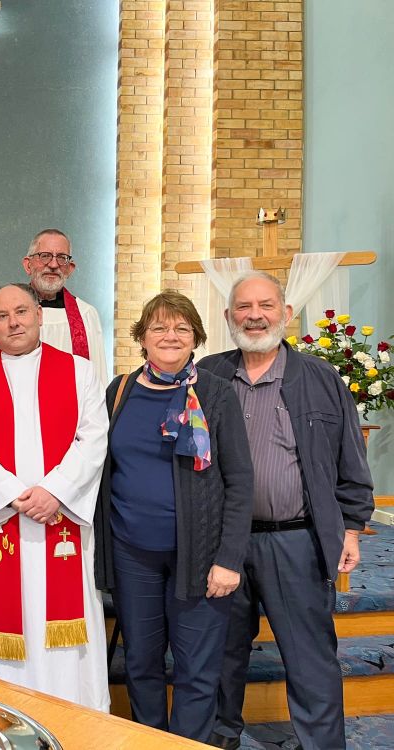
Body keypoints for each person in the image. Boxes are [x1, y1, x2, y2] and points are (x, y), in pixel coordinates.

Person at [199, 271, 374, 750]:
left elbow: (348, 460)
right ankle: (220, 735)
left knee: (309, 654)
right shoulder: (208, 375)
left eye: (266, 306)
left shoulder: (320, 378)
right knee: (220, 652)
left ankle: (320, 743)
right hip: (222, 544)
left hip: (296, 541)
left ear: (286, 313)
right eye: (244, 307)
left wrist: (352, 528)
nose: (255, 315)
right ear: (229, 316)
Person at [96, 291, 253, 742]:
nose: (170, 336)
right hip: (132, 554)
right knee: (142, 663)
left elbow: (241, 483)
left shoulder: (216, 393)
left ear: (196, 338)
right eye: (159, 327)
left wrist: (229, 559)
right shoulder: (119, 391)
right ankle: (151, 741)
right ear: (142, 338)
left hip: (201, 558)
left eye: (181, 328)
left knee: (196, 670)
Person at [0, 283, 109, 710]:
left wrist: (54, 491)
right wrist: (14, 495)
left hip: (61, 521)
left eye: (21, 311)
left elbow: (93, 439)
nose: (14, 322)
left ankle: (73, 720)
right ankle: (3, 721)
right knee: (2, 627)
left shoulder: (78, 371)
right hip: (1, 520)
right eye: (2, 316)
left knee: (65, 634)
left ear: (38, 314)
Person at [0, 229, 108, 384]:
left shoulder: (86, 315)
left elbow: (98, 380)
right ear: (28, 265)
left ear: (70, 268)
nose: (53, 265)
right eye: (44, 256)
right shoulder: (0, 312)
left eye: (61, 258)